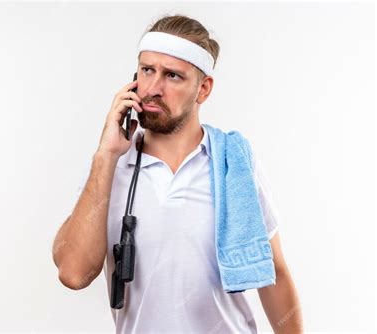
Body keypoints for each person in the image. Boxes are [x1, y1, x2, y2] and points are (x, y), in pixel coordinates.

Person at [52, 14, 303, 334]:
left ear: (203, 89)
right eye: (147, 71)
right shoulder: (111, 168)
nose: (153, 89)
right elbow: (73, 274)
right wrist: (106, 155)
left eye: (172, 75)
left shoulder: (231, 164)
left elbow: (275, 274)